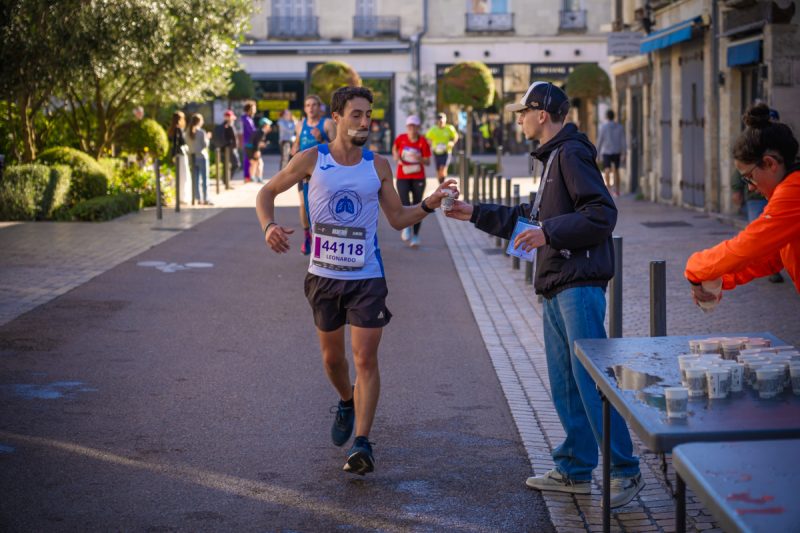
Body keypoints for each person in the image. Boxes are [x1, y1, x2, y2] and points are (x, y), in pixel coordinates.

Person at [445, 81, 643, 508]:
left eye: (523, 111)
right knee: (565, 384)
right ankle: (574, 470)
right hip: (556, 280)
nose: (518, 119)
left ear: (542, 114)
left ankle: (626, 471)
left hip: (578, 282)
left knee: (590, 383)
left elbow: (601, 214)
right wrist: (473, 212)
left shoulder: (570, 153)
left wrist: (548, 232)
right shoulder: (551, 157)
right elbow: (530, 217)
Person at [256, 86, 456, 476]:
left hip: (367, 277)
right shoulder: (312, 159)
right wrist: (268, 227)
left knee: (365, 358)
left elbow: (397, 218)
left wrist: (430, 204)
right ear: (337, 117)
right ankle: (346, 399)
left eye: (368, 116)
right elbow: (266, 192)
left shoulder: (378, 165)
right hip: (323, 277)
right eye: (356, 115)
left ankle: (362, 443)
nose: (364, 122)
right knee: (334, 360)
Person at [686, 103, 800, 301]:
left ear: (770, 163)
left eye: (749, 177)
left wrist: (696, 267)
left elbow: (749, 246)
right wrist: (719, 279)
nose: (750, 187)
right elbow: (771, 258)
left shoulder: (793, 190)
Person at [291, 94, 337, 255]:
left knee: (323, 206)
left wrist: (321, 139)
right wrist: (294, 150)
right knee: (304, 205)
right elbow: (297, 143)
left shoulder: (328, 124)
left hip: (323, 173)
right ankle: (307, 236)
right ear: (305, 108)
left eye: (314, 105)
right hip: (303, 174)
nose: (311, 108)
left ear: (320, 107)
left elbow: (339, 150)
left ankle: (324, 239)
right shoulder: (300, 125)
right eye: (308, 105)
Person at [393, 115, 432, 247]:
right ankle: (406, 227)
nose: (412, 128)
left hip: (418, 177)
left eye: (414, 126)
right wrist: (396, 155)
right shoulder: (401, 138)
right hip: (403, 176)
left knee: (417, 206)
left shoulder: (423, 142)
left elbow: (428, 162)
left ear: (418, 127)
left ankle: (416, 235)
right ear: (407, 127)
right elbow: (395, 149)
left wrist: (419, 158)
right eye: (410, 126)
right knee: (404, 204)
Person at [596, 109, 627, 196]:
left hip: (606, 151)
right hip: (616, 151)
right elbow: (623, 140)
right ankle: (617, 190)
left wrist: (597, 153)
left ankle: (608, 190)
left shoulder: (603, 127)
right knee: (616, 170)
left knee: (607, 169)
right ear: (614, 116)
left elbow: (600, 140)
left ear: (607, 117)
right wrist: (624, 152)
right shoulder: (619, 127)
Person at [186, 113, 212, 205]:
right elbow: (205, 145)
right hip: (202, 157)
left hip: (192, 158)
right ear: (199, 121)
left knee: (195, 180)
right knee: (205, 179)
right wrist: (208, 138)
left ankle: (198, 198)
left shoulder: (187, 132)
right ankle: (206, 198)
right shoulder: (201, 132)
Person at [425, 112, 459, 183]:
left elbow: (455, 136)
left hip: (446, 152)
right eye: (439, 120)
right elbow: (427, 138)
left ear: (445, 120)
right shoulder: (433, 129)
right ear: (437, 121)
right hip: (436, 152)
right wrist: (430, 143)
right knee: (438, 170)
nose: (441, 122)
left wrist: (452, 142)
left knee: (443, 169)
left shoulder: (449, 128)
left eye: (442, 120)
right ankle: (440, 183)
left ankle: (442, 183)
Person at [168, 111, 192, 205]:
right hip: (180, 155)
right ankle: (182, 197)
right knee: (183, 175)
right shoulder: (178, 130)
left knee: (180, 175)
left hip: (176, 155)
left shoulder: (173, 129)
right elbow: (180, 143)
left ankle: (181, 196)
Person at [249, 117, 272, 184]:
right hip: (253, 149)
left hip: (251, 149)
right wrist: (257, 151)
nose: (269, 126)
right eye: (268, 124)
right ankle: (258, 178)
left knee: (254, 163)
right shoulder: (261, 132)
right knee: (259, 163)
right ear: (265, 125)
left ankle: (253, 177)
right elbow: (257, 143)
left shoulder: (260, 131)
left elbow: (257, 142)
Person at [241, 102, 257, 182]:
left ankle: (249, 176)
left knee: (250, 160)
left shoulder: (249, 118)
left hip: (250, 142)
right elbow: (252, 130)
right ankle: (247, 177)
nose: (255, 110)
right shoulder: (246, 118)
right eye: (254, 108)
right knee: (247, 160)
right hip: (248, 142)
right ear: (250, 109)